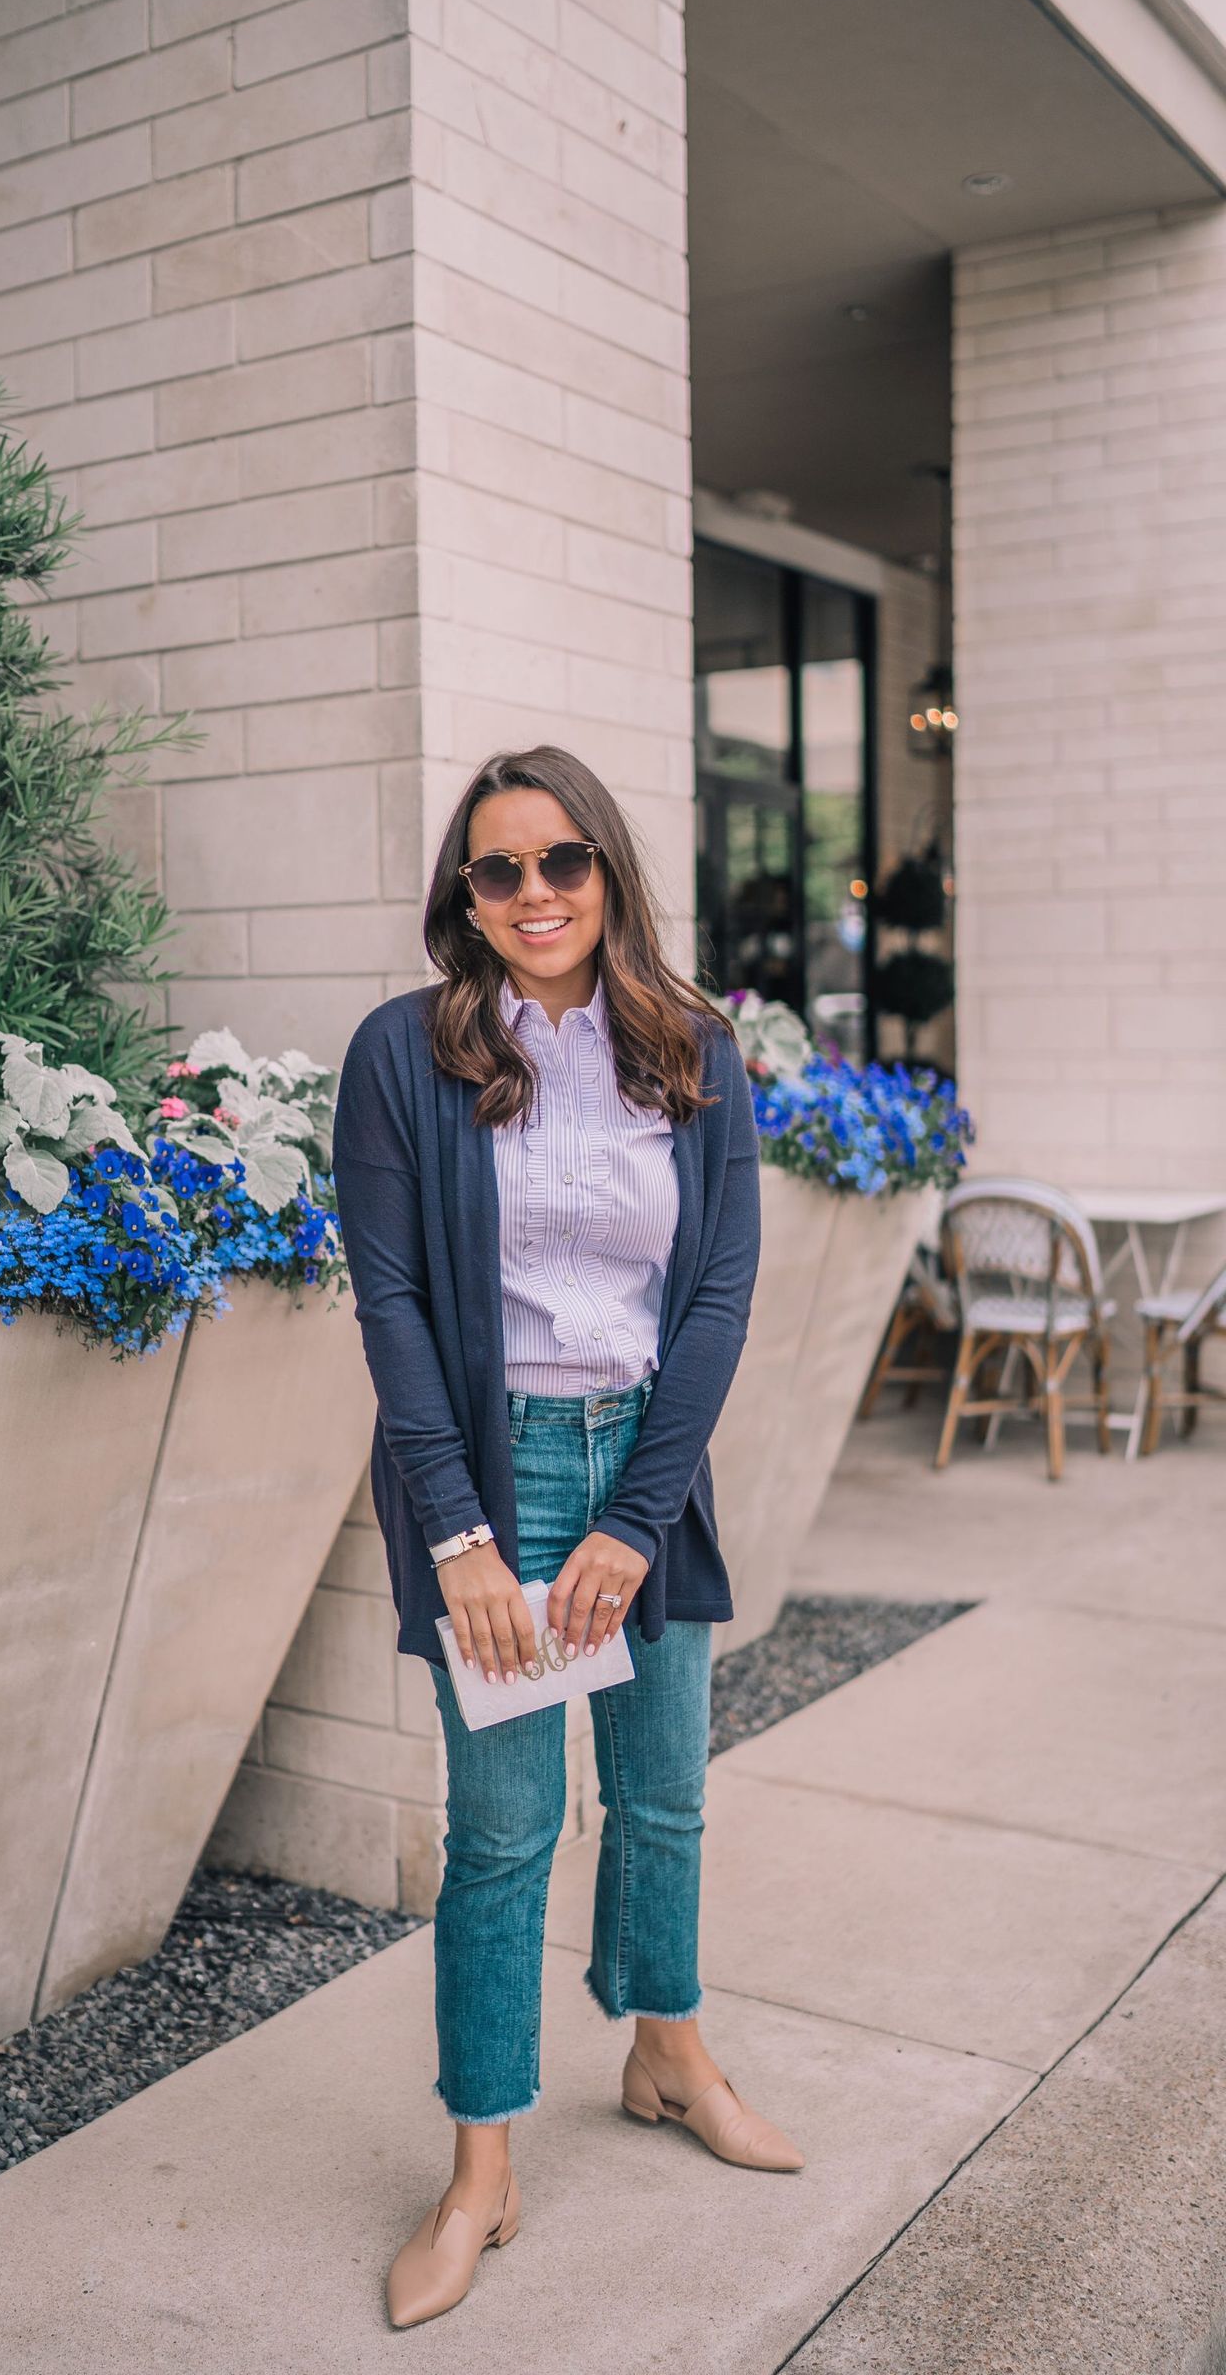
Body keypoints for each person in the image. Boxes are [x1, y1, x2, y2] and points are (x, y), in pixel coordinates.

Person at [331, 745, 804, 2333]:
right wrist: (460, 1534)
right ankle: (482, 2166)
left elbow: (718, 1296)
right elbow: (393, 1303)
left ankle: (668, 2053)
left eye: (561, 862)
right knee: (506, 1833)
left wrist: (643, 1514)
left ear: (607, 869)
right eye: (499, 869)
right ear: (464, 896)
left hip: (647, 1464)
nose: (534, 893)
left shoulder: (695, 1048)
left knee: (664, 1798)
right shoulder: (404, 1055)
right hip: (500, 1476)